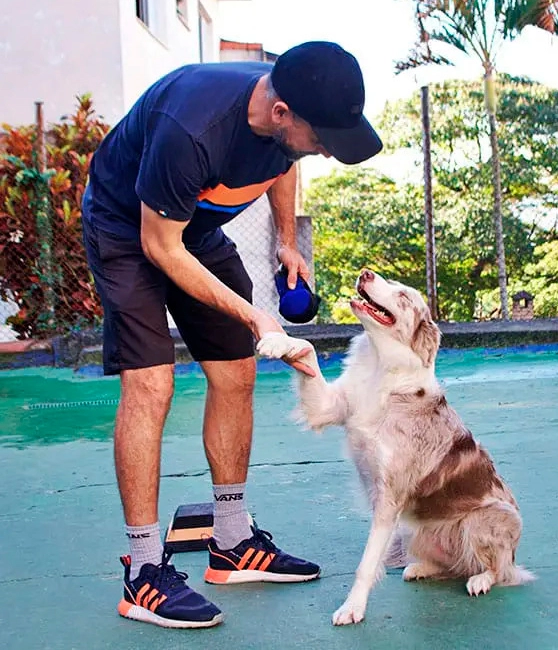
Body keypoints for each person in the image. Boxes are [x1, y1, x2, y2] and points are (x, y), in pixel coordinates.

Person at [80, 40, 383, 629]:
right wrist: (254, 314)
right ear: (281, 113)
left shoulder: (282, 118)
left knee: (236, 371)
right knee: (152, 386)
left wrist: (286, 240)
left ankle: (232, 541)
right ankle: (143, 573)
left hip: (193, 227)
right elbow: (158, 247)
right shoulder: (191, 128)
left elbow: (283, 164)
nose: (321, 152)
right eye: (319, 139)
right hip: (128, 228)